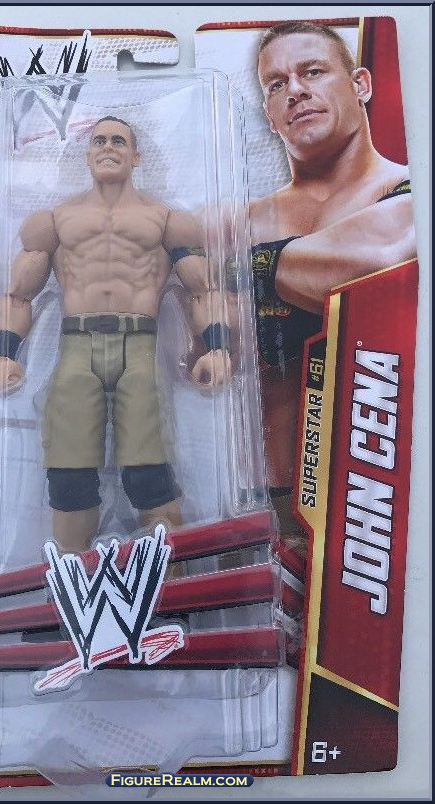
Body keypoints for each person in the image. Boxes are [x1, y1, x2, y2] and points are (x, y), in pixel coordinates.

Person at [0, 116, 231, 555]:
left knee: (149, 475)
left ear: (137, 156)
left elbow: (203, 289)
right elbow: (19, 294)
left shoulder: (167, 220)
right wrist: (4, 353)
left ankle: (166, 579)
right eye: (99, 140)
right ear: (87, 155)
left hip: (140, 347)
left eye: (119, 141)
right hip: (76, 346)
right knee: (68, 477)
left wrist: (217, 347)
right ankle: (71, 577)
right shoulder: (54, 221)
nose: (108, 147)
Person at [250, 21, 415, 553]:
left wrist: (244, 266)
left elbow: (379, 261)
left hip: (376, 492)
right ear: (269, 113)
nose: (295, 90)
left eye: (313, 72)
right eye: (276, 84)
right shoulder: (242, 219)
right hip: (261, 502)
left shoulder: (412, 194)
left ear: (360, 84)